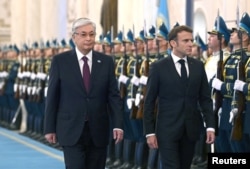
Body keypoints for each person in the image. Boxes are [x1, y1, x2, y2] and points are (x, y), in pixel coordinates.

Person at [43, 17, 124, 169]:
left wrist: (118, 125)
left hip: (98, 129)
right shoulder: (60, 61)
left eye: (92, 34)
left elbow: (113, 96)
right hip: (70, 128)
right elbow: (52, 96)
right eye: (83, 34)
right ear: (74, 37)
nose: (88, 38)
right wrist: (49, 127)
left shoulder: (106, 62)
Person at [143, 25, 215, 169]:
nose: (190, 44)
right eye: (185, 41)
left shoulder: (198, 66)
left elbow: (205, 99)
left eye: (191, 40)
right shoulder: (158, 67)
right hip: (167, 130)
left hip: (190, 130)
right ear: (173, 43)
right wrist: (149, 132)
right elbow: (149, 101)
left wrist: (210, 127)